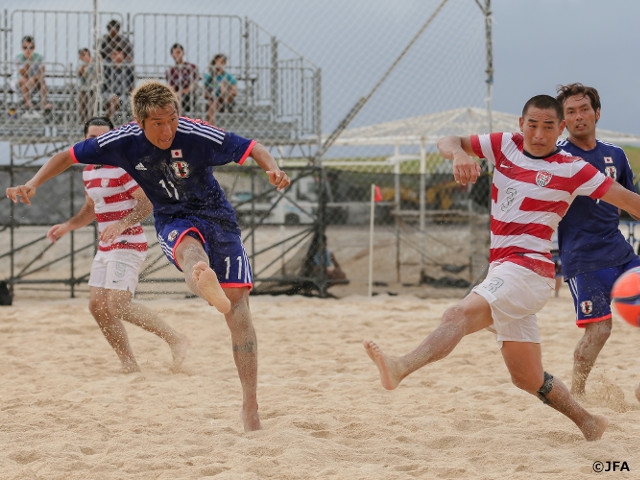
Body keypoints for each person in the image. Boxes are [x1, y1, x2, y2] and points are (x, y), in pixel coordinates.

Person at [6, 80, 290, 432]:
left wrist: (272, 169)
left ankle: (250, 402)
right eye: (158, 122)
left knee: (238, 308)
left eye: (172, 118)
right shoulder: (121, 142)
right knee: (190, 254)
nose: (168, 129)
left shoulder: (194, 132)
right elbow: (66, 156)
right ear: (140, 122)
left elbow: (251, 146)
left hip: (219, 219)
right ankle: (204, 281)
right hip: (173, 219)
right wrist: (32, 183)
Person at [362, 94, 640, 441]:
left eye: (548, 127)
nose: (539, 134)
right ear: (520, 125)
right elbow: (447, 140)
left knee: (456, 315)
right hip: (503, 270)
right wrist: (461, 154)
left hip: (529, 271)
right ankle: (588, 422)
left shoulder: (573, 168)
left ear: (561, 129)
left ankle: (400, 367)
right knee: (526, 377)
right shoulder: (504, 145)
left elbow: (630, 202)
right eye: (532, 125)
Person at [46, 117, 189, 373]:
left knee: (118, 304)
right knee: (97, 307)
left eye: (102, 137)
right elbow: (91, 209)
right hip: (106, 246)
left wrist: (122, 224)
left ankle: (175, 338)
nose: (96, 143)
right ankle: (129, 365)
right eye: (91, 137)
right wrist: (68, 226)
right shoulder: (88, 170)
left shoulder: (123, 168)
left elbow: (147, 203)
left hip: (128, 242)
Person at [554, 83, 640, 399]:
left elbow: (633, 204)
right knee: (600, 329)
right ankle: (577, 393)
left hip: (619, 251)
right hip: (582, 257)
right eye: (571, 112)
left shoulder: (615, 155)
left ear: (597, 113)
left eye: (584, 109)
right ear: (563, 121)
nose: (579, 117)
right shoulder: (557, 158)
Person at [14, 35, 52, 111]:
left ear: (34, 48)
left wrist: (33, 79)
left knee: (42, 81)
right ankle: (28, 103)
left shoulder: (39, 57)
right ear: (22, 48)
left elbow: (42, 73)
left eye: (30, 48)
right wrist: (28, 61)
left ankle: (44, 104)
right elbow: (23, 74)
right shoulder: (18, 57)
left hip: (35, 79)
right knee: (24, 80)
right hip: (21, 80)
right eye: (25, 48)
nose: (28, 50)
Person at [102, 46, 135, 120]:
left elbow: (131, 86)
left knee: (134, 102)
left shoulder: (128, 68)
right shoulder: (107, 67)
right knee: (114, 99)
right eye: (114, 54)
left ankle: (132, 124)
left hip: (124, 95)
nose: (117, 56)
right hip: (108, 93)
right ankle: (108, 120)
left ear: (123, 56)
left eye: (119, 54)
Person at [204, 53, 237, 125]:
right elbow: (205, 93)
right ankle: (211, 126)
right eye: (218, 61)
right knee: (213, 102)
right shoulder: (209, 76)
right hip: (214, 98)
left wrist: (225, 90)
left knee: (225, 88)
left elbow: (234, 92)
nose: (220, 64)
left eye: (222, 62)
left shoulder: (228, 76)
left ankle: (223, 96)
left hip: (226, 99)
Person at [165, 43, 199, 114]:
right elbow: (171, 87)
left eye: (179, 52)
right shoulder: (171, 71)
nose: (177, 55)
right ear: (172, 55)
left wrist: (181, 92)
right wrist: (176, 94)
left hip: (189, 96)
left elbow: (193, 85)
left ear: (183, 53)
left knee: (177, 98)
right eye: (175, 53)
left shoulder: (191, 67)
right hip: (176, 96)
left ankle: (180, 118)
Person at [77, 48, 98, 124]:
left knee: (91, 104)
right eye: (81, 55)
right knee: (82, 101)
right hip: (84, 89)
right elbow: (80, 74)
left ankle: (91, 121)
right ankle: (84, 121)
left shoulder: (95, 64)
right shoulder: (81, 66)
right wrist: (84, 66)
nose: (83, 57)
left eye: (84, 55)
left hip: (93, 89)